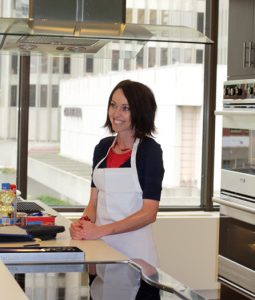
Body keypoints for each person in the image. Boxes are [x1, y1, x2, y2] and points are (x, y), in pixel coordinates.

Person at [70, 79, 164, 299]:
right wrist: (83, 225)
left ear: (140, 112)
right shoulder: (103, 148)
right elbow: (93, 203)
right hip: (101, 251)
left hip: (136, 256)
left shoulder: (150, 151)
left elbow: (149, 212)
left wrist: (100, 230)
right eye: (113, 105)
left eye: (125, 108)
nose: (116, 113)